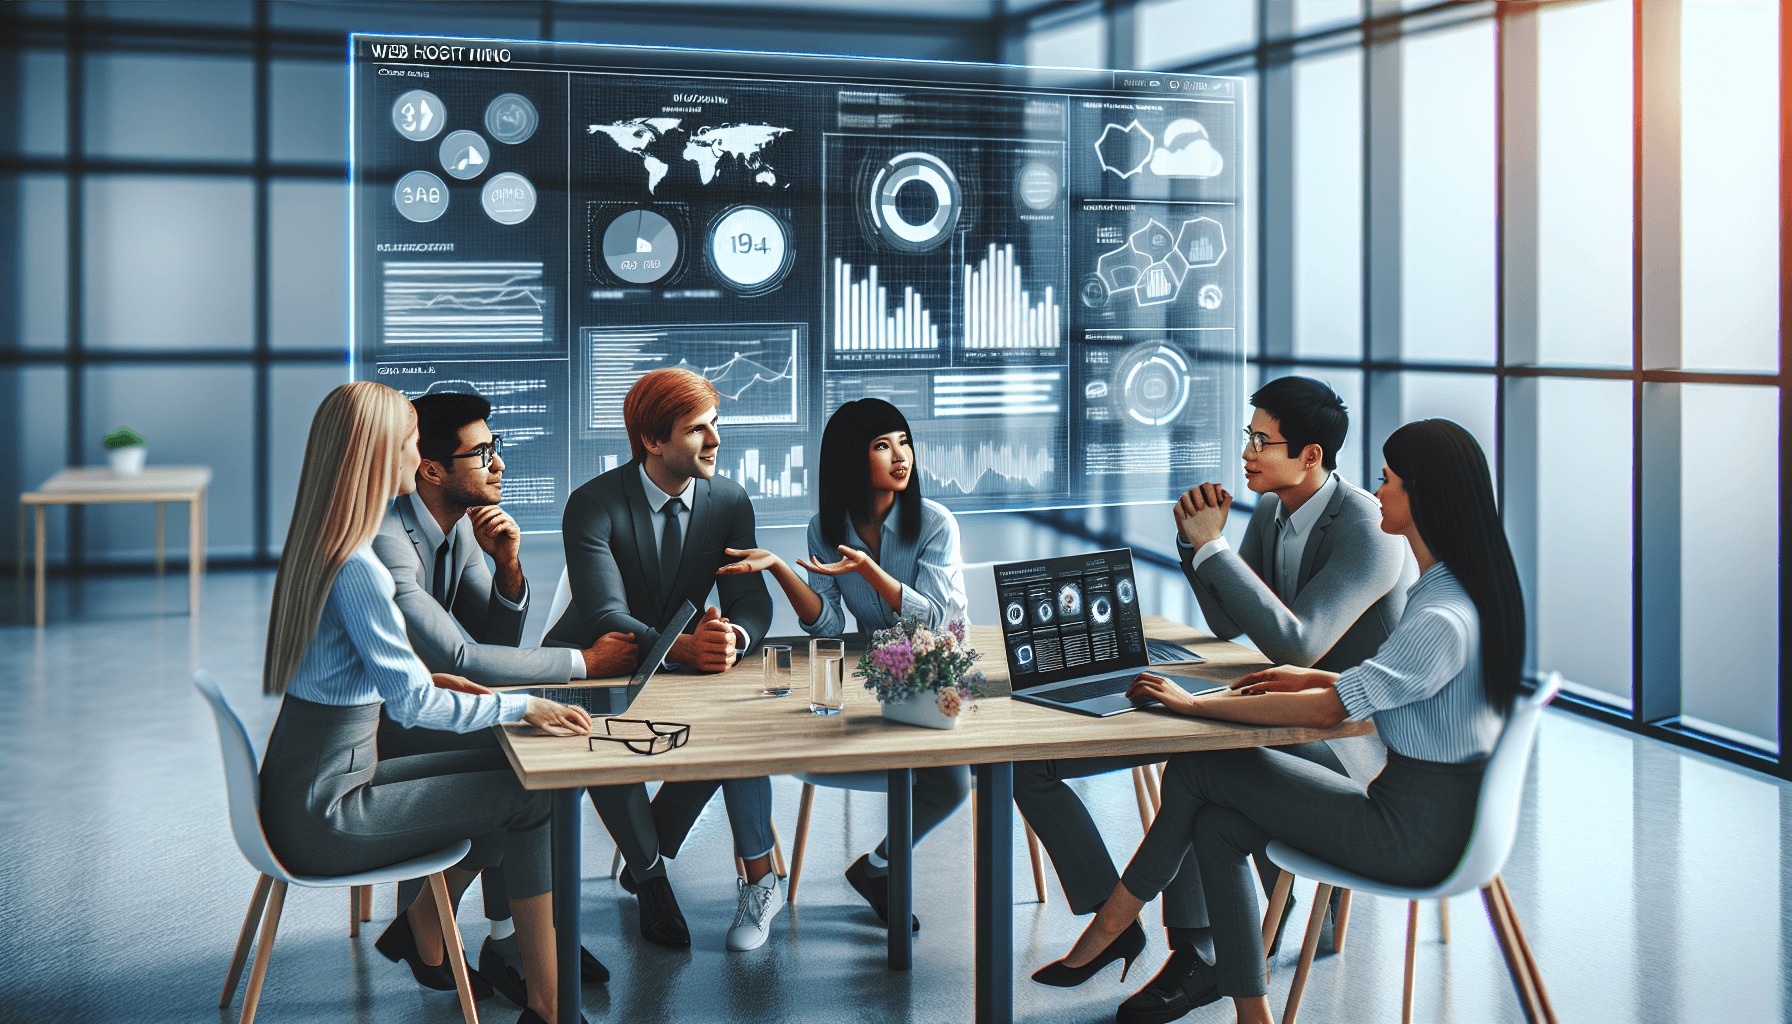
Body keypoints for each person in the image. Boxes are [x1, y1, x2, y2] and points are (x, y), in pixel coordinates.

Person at [1038, 418, 1524, 1024]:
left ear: (1422, 495)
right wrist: (1316, 677)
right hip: (1434, 819)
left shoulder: (1440, 614)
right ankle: (1249, 1013)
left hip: (1411, 836)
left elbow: (1331, 709)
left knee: (1199, 766)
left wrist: (1199, 705)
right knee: (1215, 826)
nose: (1377, 494)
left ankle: (1110, 925)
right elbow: (1387, 686)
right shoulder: (1458, 592)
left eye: (1388, 480)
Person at [1016, 376, 1415, 1015]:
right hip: (1280, 711)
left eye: (1263, 441)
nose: (1247, 453)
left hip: (1351, 742)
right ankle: (1138, 926)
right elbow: (1228, 622)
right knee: (1034, 765)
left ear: (1311, 455)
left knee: (1200, 767)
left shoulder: (1368, 527)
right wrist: (1192, 545)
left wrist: (1213, 546)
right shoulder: (1276, 509)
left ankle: (1179, 946)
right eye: (1247, 437)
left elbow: (1298, 643)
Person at [257, 381, 592, 1024]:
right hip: (329, 814)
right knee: (533, 794)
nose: (420, 459)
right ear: (381, 453)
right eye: (410, 444)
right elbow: (408, 704)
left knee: (515, 776)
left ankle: (435, 934)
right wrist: (523, 707)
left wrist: (448, 684)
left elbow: (369, 676)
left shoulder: (322, 544)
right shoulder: (359, 566)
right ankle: (552, 1011)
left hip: (310, 786)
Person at [370, 391, 635, 1004]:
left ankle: (483, 930)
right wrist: (585, 663)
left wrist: (510, 570)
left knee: (524, 757)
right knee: (524, 765)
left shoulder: (456, 531)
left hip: (439, 703)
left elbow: (489, 646)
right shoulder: (388, 539)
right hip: (389, 720)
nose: (500, 465)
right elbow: (456, 660)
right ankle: (504, 937)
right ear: (432, 469)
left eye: (496, 449)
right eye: (482, 453)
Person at [543, 367, 782, 952]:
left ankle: (655, 844)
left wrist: (735, 640)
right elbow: (603, 612)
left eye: (716, 425)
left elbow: (750, 600)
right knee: (603, 740)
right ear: (653, 440)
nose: (716, 441)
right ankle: (651, 880)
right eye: (698, 430)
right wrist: (680, 646)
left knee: (737, 730)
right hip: (597, 658)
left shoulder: (728, 500)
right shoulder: (593, 503)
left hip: (683, 662)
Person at [718, 398, 971, 931]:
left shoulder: (934, 523)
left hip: (939, 671)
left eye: (904, 441)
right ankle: (860, 874)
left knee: (951, 783)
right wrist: (783, 570)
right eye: (883, 446)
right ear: (851, 460)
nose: (901, 456)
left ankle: (877, 866)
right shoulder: (825, 525)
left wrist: (873, 572)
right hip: (873, 677)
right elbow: (828, 626)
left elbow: (938, 619)